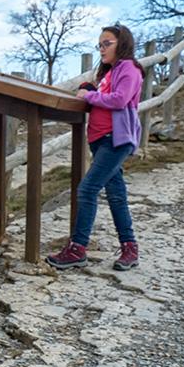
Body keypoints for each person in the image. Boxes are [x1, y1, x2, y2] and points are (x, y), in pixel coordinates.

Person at [46, 23, 144, 271]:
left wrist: (88, 96)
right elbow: (101, 98)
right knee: (116, 195)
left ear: (122, 44)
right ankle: (130, 249)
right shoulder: (109, 73)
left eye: (107, 44)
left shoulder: (129, 68)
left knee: (87, 189)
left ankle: (77, 249)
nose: (101, 49)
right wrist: (89, 90)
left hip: (116, 139)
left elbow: (120, 99)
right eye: (99, 45)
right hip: (101, 140)